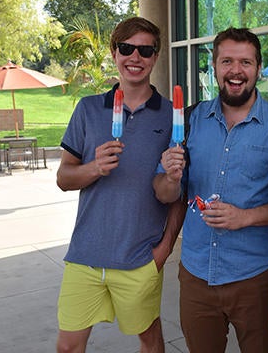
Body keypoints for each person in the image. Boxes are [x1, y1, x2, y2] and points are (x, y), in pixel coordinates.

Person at [154, 27, 268, 353]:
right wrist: (171, 177)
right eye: (227, 61)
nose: (236, 70)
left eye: (246, 62)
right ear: (215, 66)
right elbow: (165, 195)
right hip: (196, 274)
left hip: (255, 277)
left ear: (259, 68)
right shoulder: (190, 120)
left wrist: (244, 217)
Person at [55, 17, 181, 353]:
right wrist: (94, 167)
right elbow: (63, 178)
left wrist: (164, 249)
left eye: (145, 50)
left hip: (139, 257)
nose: (135, 57)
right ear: (114, 53)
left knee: (150, 341)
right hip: (85, 255)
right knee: (67, 346)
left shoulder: (172, 116)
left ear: (155, 57)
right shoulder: (89, 109)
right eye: (126, 48)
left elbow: (176, 194)